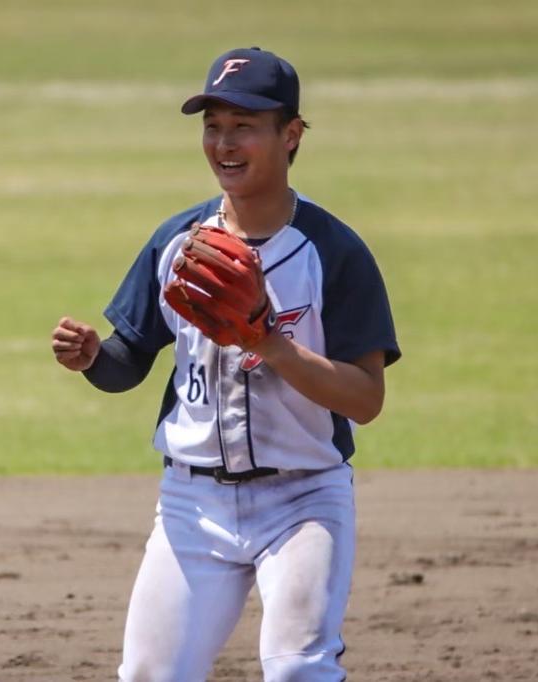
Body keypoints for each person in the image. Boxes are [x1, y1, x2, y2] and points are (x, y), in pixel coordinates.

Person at [51, 46, 400, 682]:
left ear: (290, 134)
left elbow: (366, 400)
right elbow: (129, 359)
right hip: (192, 504)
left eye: (244, 125)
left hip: (303, 500)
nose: (224, 143)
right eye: (213, 126)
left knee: (299, 669)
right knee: (149, 675)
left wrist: (272, 343)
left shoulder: (335, 252)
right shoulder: (177, 243)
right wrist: (94, 357)